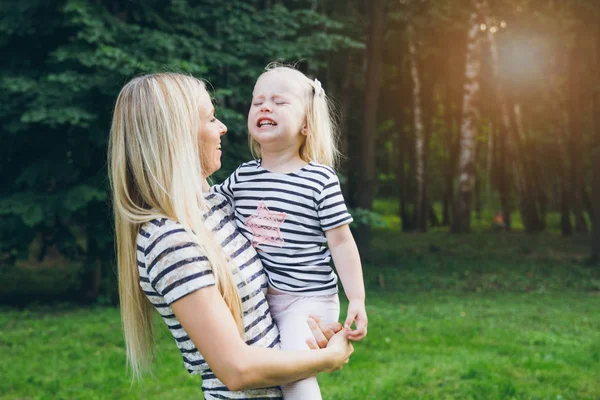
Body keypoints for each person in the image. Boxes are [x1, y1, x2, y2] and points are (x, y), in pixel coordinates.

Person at [108, 72, 353, 400]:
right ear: (176, 136)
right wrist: (329, 357)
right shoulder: (170, 241)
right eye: (210, 118)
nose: (222, 127)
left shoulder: (218, 206)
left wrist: (304, 325)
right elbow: (236, 369)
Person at [212, 64, 367, 400]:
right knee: (261, 376)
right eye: (258, 102)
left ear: (307, 123)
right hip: (261, 300)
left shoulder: (319, 181)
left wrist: (356, 298)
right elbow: (207, 205)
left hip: (306, 300)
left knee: (294, 375)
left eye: (280, 102)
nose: (265, 107)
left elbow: (341, 242)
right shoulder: (243, 177)